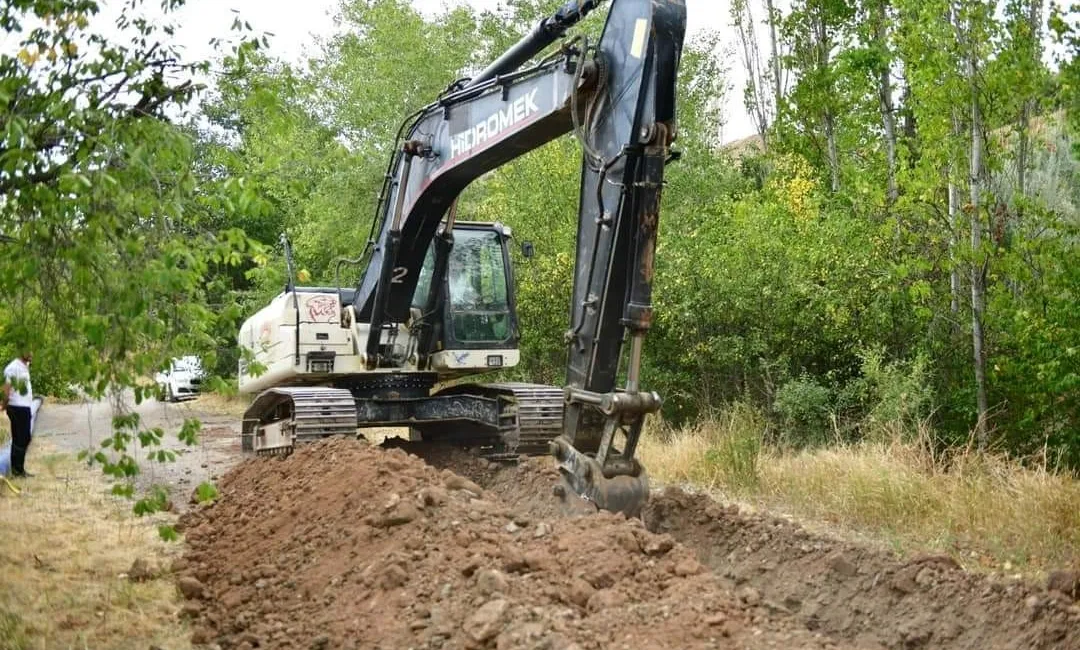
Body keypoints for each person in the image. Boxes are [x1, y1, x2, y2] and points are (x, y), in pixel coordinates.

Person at [2, 349, 34, 478]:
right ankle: (17, 470)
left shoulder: (24, 366)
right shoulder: (12, 368)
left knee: (23, 437)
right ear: (22, 352)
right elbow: (7, 388)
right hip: (16, 407)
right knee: (21, 437)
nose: (32, 355)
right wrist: (4, 405)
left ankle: (18, 468)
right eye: (30, 352)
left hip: (25, 407)